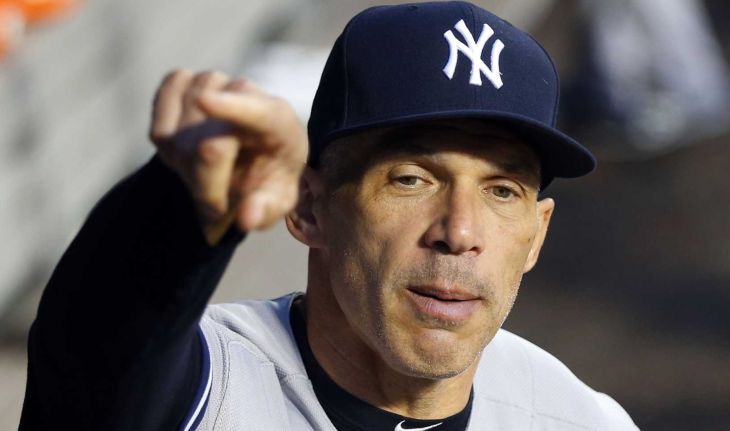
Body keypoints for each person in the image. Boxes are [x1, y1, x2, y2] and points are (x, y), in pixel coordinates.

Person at [20, 2, 639, 430]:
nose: (459, 231)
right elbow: (100, 339)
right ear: (308, 206)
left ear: (537, 235)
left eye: (502, 191)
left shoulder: (576, 417)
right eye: (411, 179)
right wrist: (187, 203)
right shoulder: (200, 389)